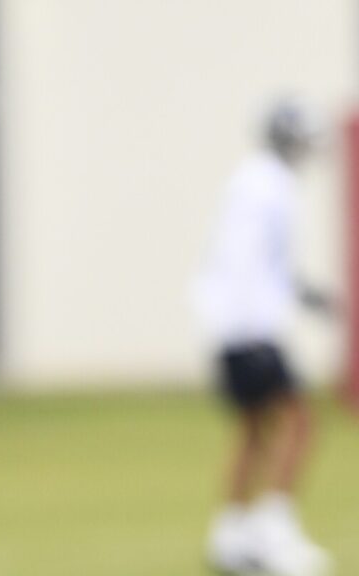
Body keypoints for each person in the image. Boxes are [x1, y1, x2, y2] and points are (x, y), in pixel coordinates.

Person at [197, 97, 333, 576]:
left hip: (235, 326)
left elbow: (266, 262)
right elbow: (246, 258)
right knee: (300, 423)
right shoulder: (267, 186)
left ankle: (230, 534)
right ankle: (274, 533)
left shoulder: (256, 182)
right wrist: (254, 328)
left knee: (254, 431)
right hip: (249, 328)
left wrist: (306, 295)